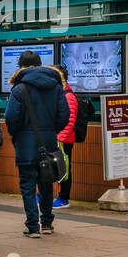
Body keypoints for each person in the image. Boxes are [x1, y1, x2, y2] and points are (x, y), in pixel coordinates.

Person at [4, 50, 69, 237]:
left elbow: (11, 118)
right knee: (47, 182)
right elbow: (64, 115)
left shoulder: (19, 88)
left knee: (27, 185)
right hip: (48, 141)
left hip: (25, 143)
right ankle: (47, 223)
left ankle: (33, 226)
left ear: (21, 67)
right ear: (40, 64)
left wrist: (18, 134)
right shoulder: (56, 86)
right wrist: (51, 130)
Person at [52, 63, 78, 208]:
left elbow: (70, 120)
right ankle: (49, 195)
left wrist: (59, 139)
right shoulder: (58, 93)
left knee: (65, 169)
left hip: (64, 140)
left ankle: (64, 197)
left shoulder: (68, 96)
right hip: (56, 138)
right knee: (55, 167)